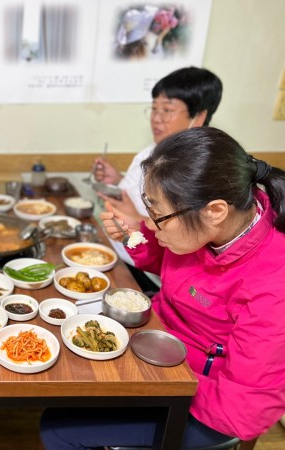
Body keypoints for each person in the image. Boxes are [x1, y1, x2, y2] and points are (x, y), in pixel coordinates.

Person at [41, 127, 285, 448]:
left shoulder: (272, 285)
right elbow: (174, 266)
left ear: (215, 211)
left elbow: (246, 405)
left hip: (201, 401)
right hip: (159, 351)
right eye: (150, 207)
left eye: (159, 214)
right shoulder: (210, 224)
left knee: (58, 429)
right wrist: (132, 236)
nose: (152, 224)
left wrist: (159, 383)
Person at [93, 66, 222, 293]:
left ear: (198, 116)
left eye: (167, 110)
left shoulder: (201, 168)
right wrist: (117, 179)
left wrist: (134, 216)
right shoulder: (151, 151)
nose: (156, 118)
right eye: (154, 109)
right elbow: (143, 195)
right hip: (119, 253)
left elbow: (190, 237)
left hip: (147, 276)